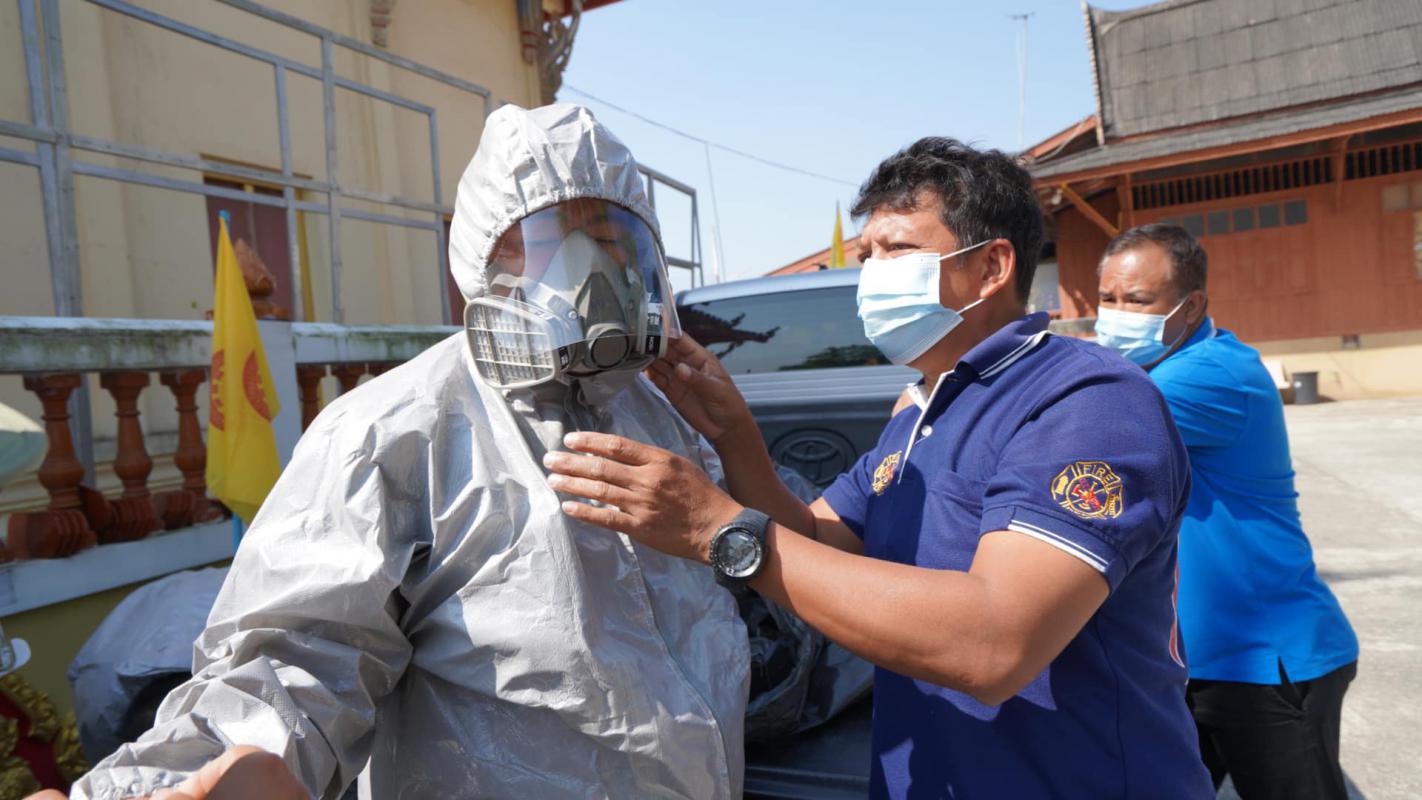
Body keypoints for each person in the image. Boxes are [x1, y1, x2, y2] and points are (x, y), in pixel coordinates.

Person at [51, 104, 748, 800]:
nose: (590, 270)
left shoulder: (661, 410)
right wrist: (179, 783)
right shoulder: (391, 430)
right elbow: (297, 659)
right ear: (485, 257)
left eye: (608, 237)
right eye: (552, 239)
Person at [546, 137, 1214, 798]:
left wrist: (717, 531)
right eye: (866, 254)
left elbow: (996, 644)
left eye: (896, 249)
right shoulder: (922, 406)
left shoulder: (1087, 401)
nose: (872, 274)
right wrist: (733, 436)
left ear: (991, 266)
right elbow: (815, 541)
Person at [1096, 223, 1358, 800]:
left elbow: (1085, 418)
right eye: (1108, 298)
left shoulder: (1207, 375)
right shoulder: (1160, 367)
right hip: (1191, 660)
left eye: (1137, 300)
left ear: (1191, 307)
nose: (1116, 315)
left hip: (1264, 662)